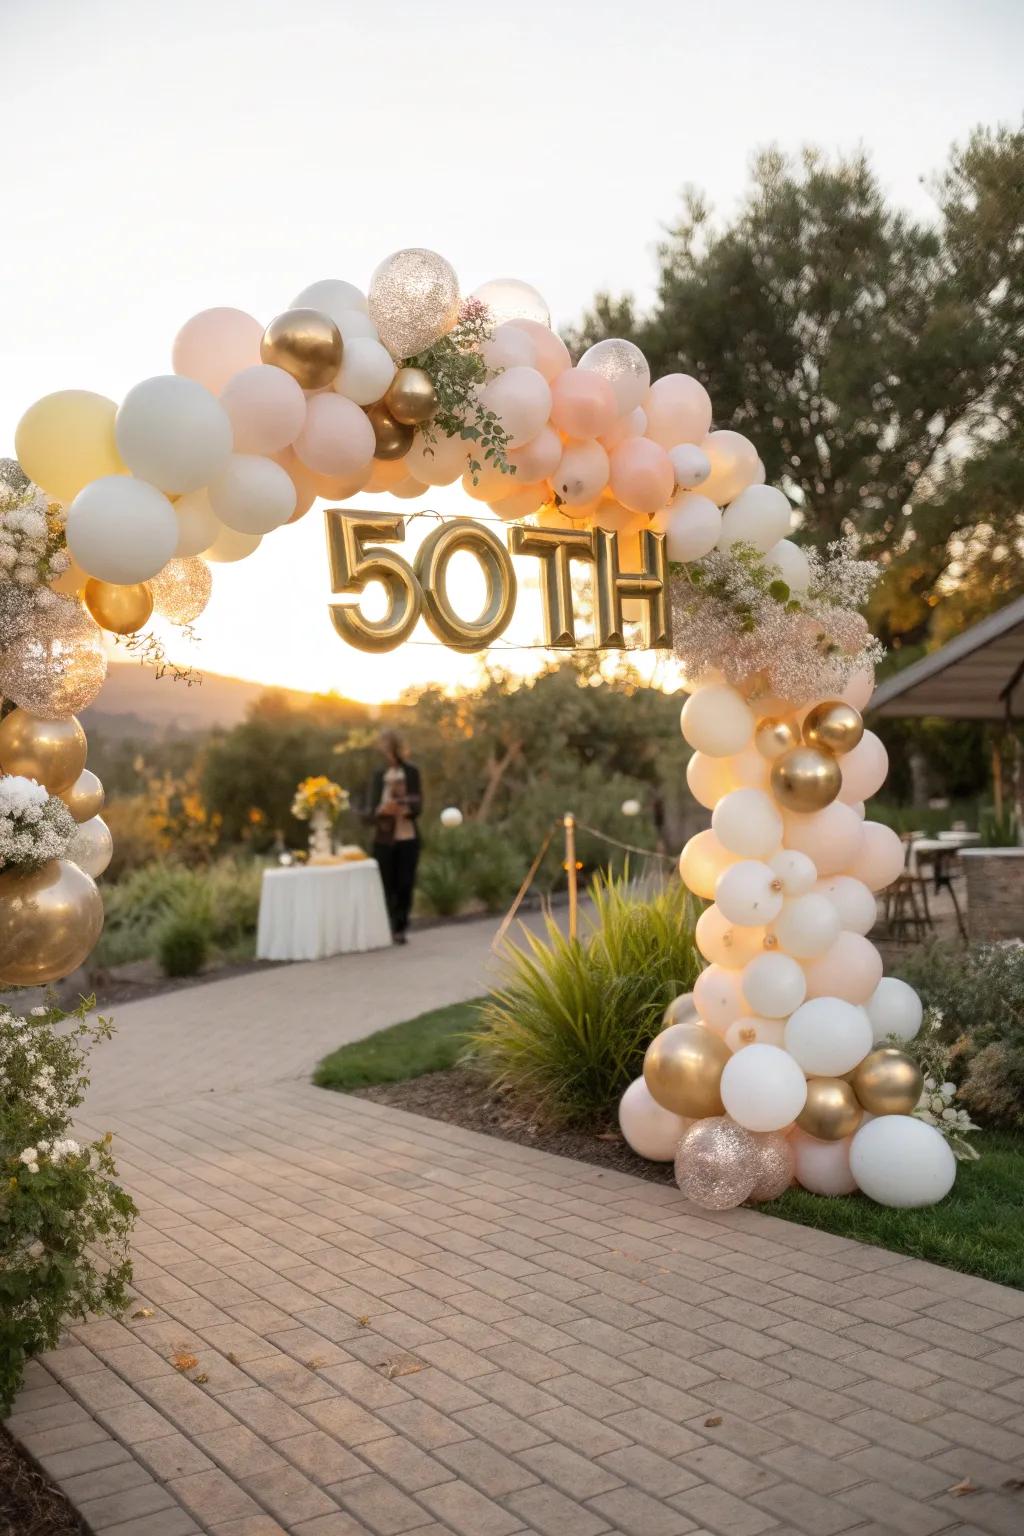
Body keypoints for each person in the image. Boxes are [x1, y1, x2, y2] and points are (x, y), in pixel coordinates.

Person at [368, 732, 422, 944]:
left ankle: (400, 926)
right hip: (384, 838)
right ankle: (387, 925)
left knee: (405, 883)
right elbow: (371, 807)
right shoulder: (378, 774)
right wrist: (382, 811)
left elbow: (419, 805)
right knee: (386, 883)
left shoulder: (411, 772)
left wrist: (405, 809)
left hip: (407, 836)